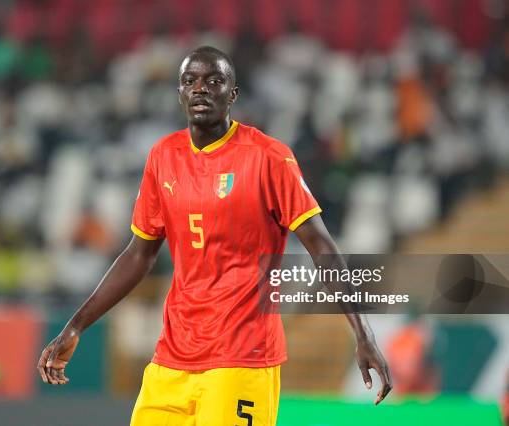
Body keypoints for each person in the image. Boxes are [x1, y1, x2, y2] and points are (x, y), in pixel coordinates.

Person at [37, 46, 392, 425]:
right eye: (190, 81)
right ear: (179, 92)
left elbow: (322, 247)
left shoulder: (268, 158)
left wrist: (363, 330)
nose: (200, 89)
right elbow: (139, 254)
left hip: (242, 358)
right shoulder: (163, 157)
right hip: (172, 361)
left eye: (214, 81)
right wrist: (75, 325)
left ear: (232, 94)